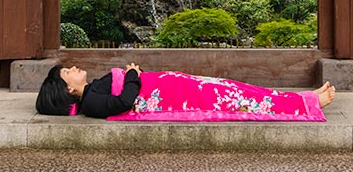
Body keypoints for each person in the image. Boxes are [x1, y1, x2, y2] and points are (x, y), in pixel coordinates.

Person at [35, 63, 335, 121]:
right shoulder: (91, 102)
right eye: (67, 73)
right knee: (241, 101)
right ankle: (310, 104)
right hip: (176, 96)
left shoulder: (92, 92)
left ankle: (304, 98)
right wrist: (133, 76)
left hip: (177, 87)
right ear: (69, 89)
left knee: (240, 91)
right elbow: (125, 102)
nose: (73, 69)